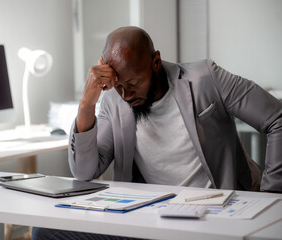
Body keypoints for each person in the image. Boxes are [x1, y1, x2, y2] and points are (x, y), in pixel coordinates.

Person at [32, 26, 282, 239]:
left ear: (156, 62)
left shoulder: (207, 78)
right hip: (150, 221)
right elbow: (84, 172)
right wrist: (87, 104)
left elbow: (276, 118)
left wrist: (271, 195)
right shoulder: (114, 102)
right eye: (118, 86)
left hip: (215, 216)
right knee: (44, 232)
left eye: (132, 84)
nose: (126, 95)